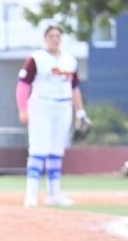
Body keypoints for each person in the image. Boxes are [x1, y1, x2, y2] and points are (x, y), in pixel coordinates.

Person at [16, 24, 92, 207]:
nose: (55, 39)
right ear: (45, 38)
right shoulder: (36, 58)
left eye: (57, 36)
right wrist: (23, 108)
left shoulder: (69, 60)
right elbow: (23, 85)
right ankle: (32, 194)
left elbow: (74, 88)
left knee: (57, 150)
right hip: (41, 106)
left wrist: (80, 112)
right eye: (51, 35)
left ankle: (54, 193)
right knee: (38, 150)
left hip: (63, 107)